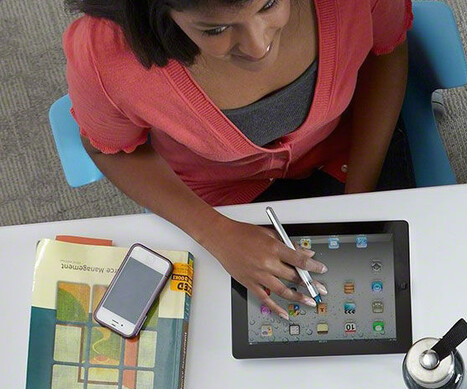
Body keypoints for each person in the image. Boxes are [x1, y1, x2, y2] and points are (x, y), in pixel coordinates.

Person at [63, 0, 415, 316]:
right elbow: (105, 148)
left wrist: (360, 199)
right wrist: (216, 233)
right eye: (215, 29)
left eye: (270, 4)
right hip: (216, 200)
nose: (258, 45)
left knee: (409, 300)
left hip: (349, 148)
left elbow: (386, 52)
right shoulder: (106, 53)